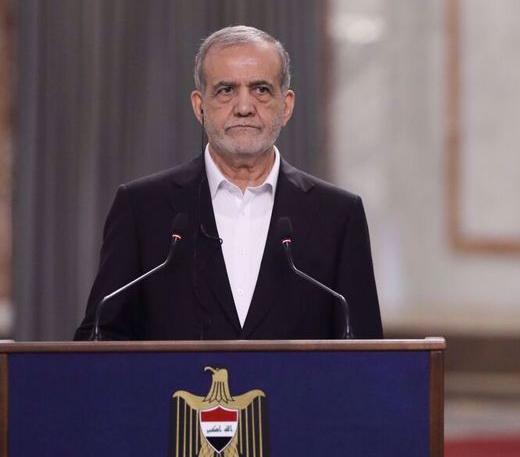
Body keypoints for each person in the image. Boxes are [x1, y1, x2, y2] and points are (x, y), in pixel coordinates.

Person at [74, 25, 382, 340]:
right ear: (199, 107)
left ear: (286, 106)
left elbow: (366, 351)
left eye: (261, 89)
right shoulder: (142, 208)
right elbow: (98, 337)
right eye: (226, 90)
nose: (245, 107)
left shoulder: (339, 215)